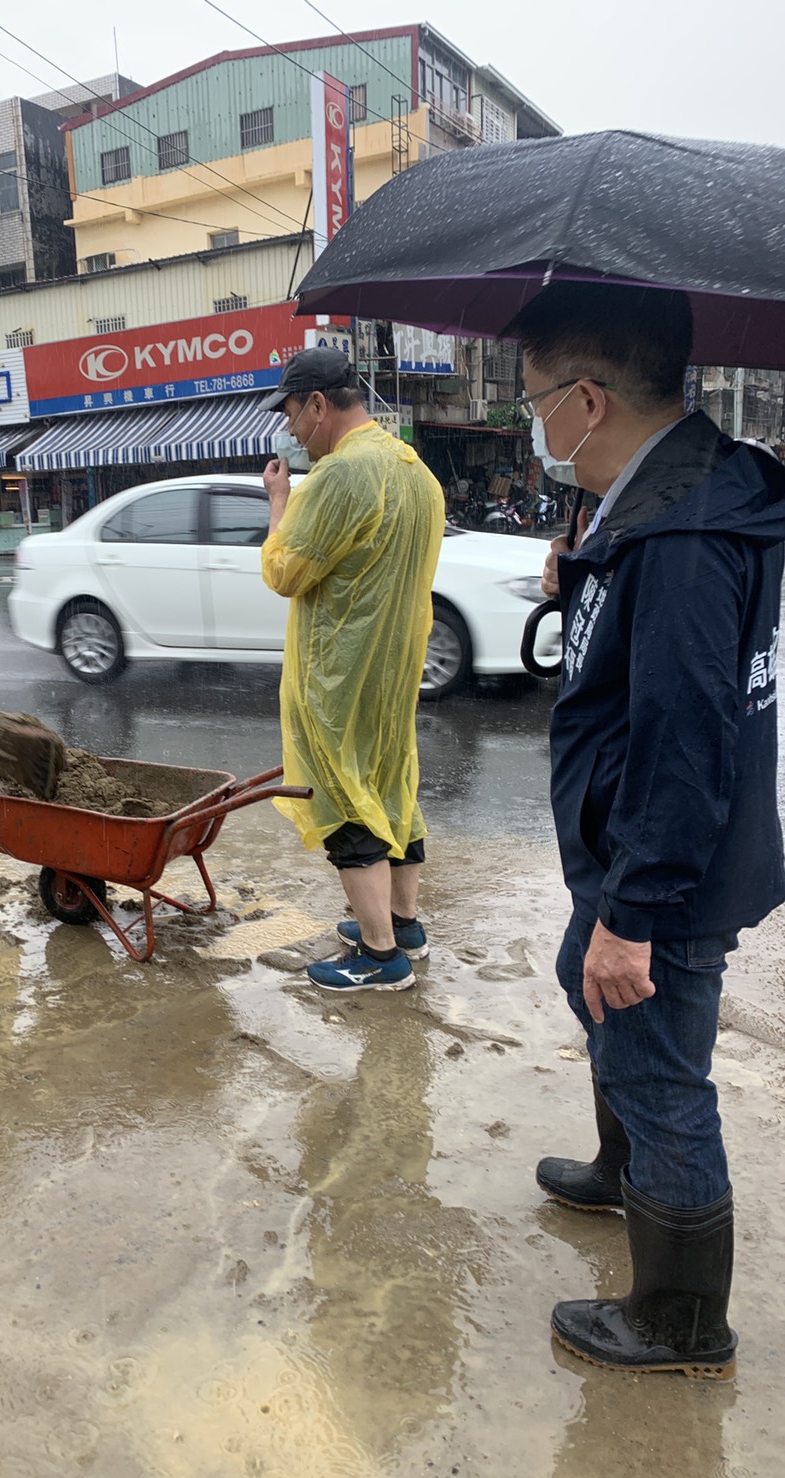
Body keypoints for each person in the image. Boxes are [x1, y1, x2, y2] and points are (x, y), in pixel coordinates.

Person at [512, 282, 785, 1378]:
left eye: (536, 401)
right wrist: (583, 568)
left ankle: (679, 1320)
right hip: (639, 846)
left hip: (663, 863)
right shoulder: (671, 498)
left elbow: (683, 740)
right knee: (588, 986)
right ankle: (621, 1167)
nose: (534, 423)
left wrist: (633, 912)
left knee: (661, 1068)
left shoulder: (680, 539)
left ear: (588, 401)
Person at [259, 348, 445, 993]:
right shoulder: (415, 470)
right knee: (392, 786)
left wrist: (279, 502)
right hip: (394, 671)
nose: (290, 431)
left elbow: (285, 572)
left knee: (344, 800)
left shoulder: (340, 474)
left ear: (318, 404)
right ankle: (404, 924)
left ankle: (380, 955)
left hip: (339, 673)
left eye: (291, 414)